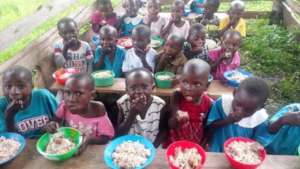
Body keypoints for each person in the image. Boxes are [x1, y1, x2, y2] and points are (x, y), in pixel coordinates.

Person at [46, 73, 114, 146]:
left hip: (92, 149)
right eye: (67, 92)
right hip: (70, 147)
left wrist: (88, 140)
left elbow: (105, 138)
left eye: (78, 93)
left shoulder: (98, 110)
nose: (71, 99)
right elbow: (55, 121)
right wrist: (51, 125)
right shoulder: (64, 106)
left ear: (92, 95)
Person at [207, 77, 271, 152]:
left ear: (260, 108)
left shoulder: (261, 118)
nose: (240, 111)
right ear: (234, 92)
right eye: (238, 104)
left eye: (247, 110)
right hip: (218, 148)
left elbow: (261, 139)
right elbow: (210, 127)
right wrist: (227, 120)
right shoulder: (221, 104)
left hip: (241, 155)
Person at [0, 66, 58, 138]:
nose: (14, 92)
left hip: (52, 142)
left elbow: (60, 117)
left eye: (21, 86)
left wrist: (51, 126)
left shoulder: (43, 96)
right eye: (8, 86)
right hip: (24, 148)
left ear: (32, 86)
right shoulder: (2, 106)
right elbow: (9, 142)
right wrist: (9, 117)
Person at [166, 59, 213, 147]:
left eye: (197, 84)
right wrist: (177, 117)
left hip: (195, 142)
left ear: (206, 86)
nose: (189, 88)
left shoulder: (208, 103)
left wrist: (201, 146)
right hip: (175, 141)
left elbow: (207, 128)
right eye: (185, 82)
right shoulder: (176, 96)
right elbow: (171, 124)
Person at [117, 68, 167, 147]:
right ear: (126, 90)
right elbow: (119, 134)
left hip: (151, 145)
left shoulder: (159, 105)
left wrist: (153, 147)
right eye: (133, 88)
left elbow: (163, 130)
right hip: (128, 147)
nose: (139, 91)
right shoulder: (123, 103)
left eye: (144, 87)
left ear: (152, 88)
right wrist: (132, 114)